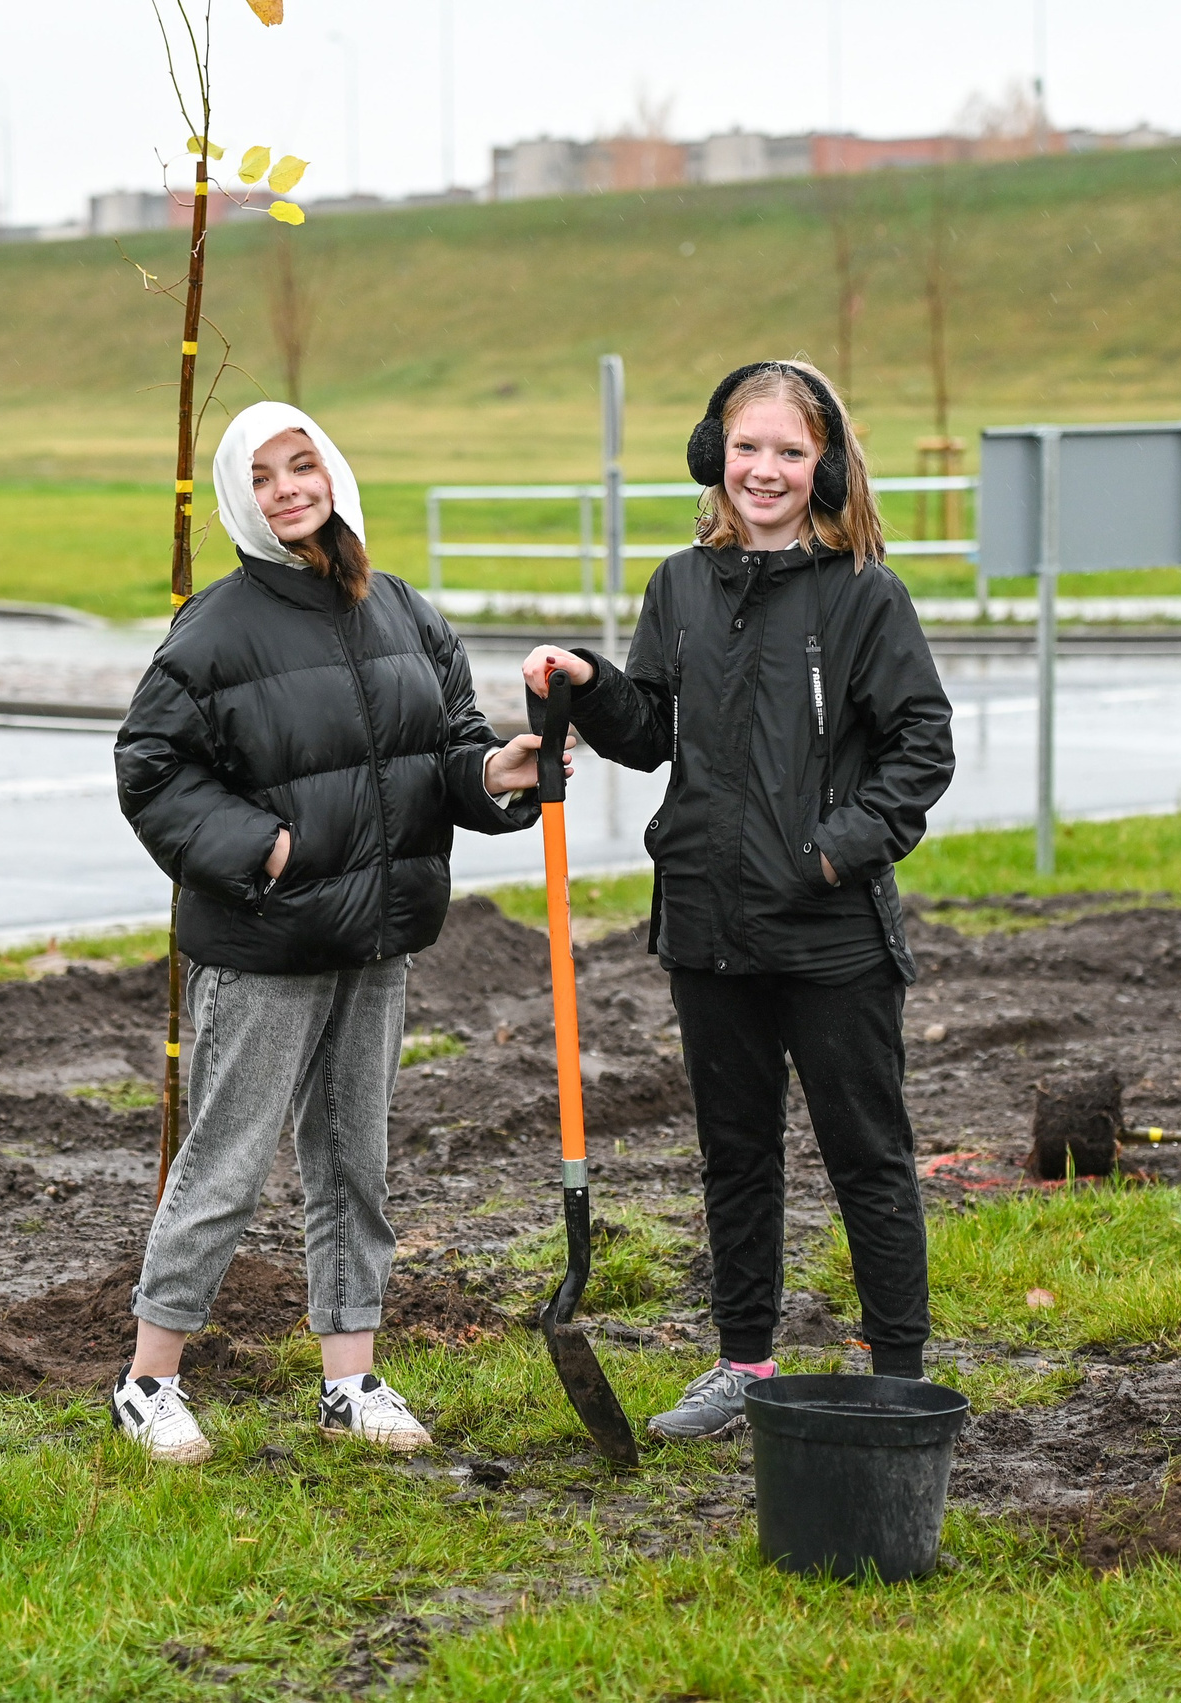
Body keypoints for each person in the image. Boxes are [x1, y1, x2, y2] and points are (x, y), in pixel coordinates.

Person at [112, 400, 561, 1465]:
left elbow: (444, 749)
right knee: (223, 1166)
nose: (286, 488)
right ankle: (148, 1381)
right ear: (240, 500)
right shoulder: (215, 630)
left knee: (354, 1164)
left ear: (334, 473)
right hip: (267, 946)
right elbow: (150, 767)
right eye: (261, 475)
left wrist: (496, 771)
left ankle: (349, 1378)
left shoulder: (400, 610)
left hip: (378, 938)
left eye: (300, 465)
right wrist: (260, 847)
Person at [521, 360, 955, 1441]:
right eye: (748, 447)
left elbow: (922, 745)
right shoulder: (679, 586)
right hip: (708, 924)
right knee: (735, 1152)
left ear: (828, 467)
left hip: (829, 930)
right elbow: (652, 729)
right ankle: (744, 1363)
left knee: (867, 1152)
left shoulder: (863, 594)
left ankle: (894, 1368)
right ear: (715, 454)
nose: (765, 470)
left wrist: (829, 854)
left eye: (791, 452)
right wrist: (587, 681)